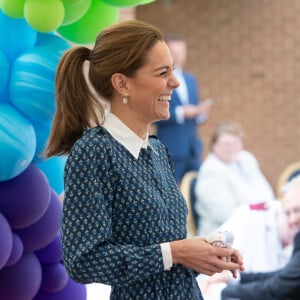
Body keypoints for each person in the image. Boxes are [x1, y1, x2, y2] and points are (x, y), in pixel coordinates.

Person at [44, 20, 243, 299]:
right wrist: (177, 252)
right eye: (163, 73)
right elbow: (83, 261)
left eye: (173, 71)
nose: (174, 82)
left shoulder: (158, 151)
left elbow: (162, 252)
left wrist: (202, 254)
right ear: (122, 83)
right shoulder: (93, 152)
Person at [221, 175, 300, 300]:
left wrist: (223, 291)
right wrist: (235, 279)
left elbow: (277, 288)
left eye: (297, 210)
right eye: (287, 213)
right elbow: (283, 276)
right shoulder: (247, 217)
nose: (292, 220)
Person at [195, 121, 275, 237]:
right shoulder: (211, 171)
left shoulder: (246, 158)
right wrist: (259, 215)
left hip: (255, 225)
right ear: (214, 146)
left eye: (236, 143)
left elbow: (266, 193)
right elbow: (224, 214)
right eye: (226, 144)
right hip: (224, 235)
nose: (232, 148)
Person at [154, 34, 213, 184]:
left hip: (193, 148)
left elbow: (195, 114)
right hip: (172, 148)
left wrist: (201, 113)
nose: (178, 56)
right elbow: (154, 114)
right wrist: (181, 112)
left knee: (196, 191)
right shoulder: (157, 79)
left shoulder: (190, 79)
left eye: (181, 52)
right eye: (174, 52)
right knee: (170, 193)